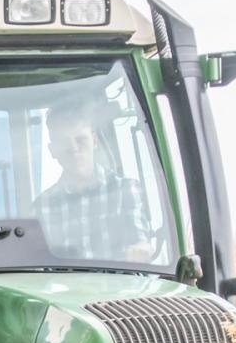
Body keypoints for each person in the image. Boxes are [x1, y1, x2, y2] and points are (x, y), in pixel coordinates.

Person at [35, 99, 153, 263]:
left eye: (80, 140)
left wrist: (142, 248)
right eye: (64, 143)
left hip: (118, 286)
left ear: (94, 140)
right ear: (52, 150)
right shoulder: (42, 207)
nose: (74, 149)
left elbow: (139, 242)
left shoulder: (125, 191)